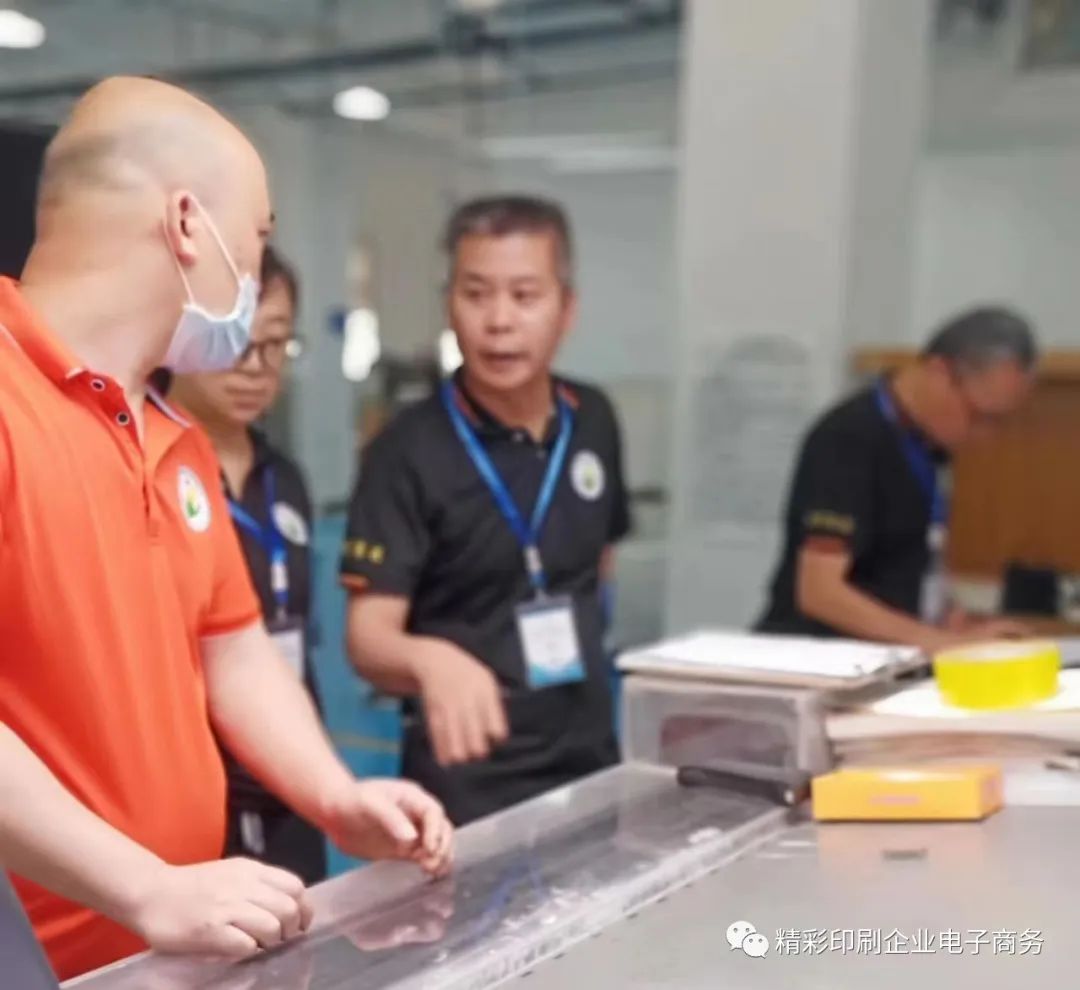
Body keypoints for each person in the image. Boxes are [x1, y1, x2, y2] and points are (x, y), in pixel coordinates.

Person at [0, 76, 452, 983]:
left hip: (169, 949)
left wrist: (336, 797)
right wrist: (145, 887)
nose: (251, 276)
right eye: (256, 238)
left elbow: (234, 653)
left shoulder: (177, 440)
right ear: (186, 224)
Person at [341, 196, 632, 826]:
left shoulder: (594, 419)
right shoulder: (405, 450)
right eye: (476, 295)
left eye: (525, 296)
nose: (499, 321)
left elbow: (597, 566)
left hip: (589, 762)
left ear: (567, 309)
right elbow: (367, 639)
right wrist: (430, 661)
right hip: (466, 781)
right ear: (450, 304)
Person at [168, 246, 327, 885]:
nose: (255, 367)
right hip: (201, 793)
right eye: (238, 343)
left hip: (292, 780)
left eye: (276, 346)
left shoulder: (285, 478)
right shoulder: (150, 470)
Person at [756, 307, 1037, 651]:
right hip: (815, 657)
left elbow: (907, 558)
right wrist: (940, 643)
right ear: (939, 372)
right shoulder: (848, 438)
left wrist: (950, 616)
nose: (984, 436)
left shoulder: (929, 446)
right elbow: (820, 593)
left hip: (888, 656)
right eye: (979, 416)